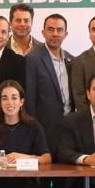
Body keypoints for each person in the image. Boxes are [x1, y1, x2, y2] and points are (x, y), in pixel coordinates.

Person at [0, 80, 51, 188]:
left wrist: (23, 157)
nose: (9, 102)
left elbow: (47, 158)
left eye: (14, 98)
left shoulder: (33, 126)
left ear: (21, 102)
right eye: (4, 98)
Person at [24, 13, 76, 154]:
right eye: (50, 29)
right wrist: (34, 128)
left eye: (59, 30)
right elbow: (29, 99)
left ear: (65, 34)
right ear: (43, 32)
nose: (55, 34)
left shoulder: (72, 60)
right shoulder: (32, 59)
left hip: (69, 127)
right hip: (44, 129)